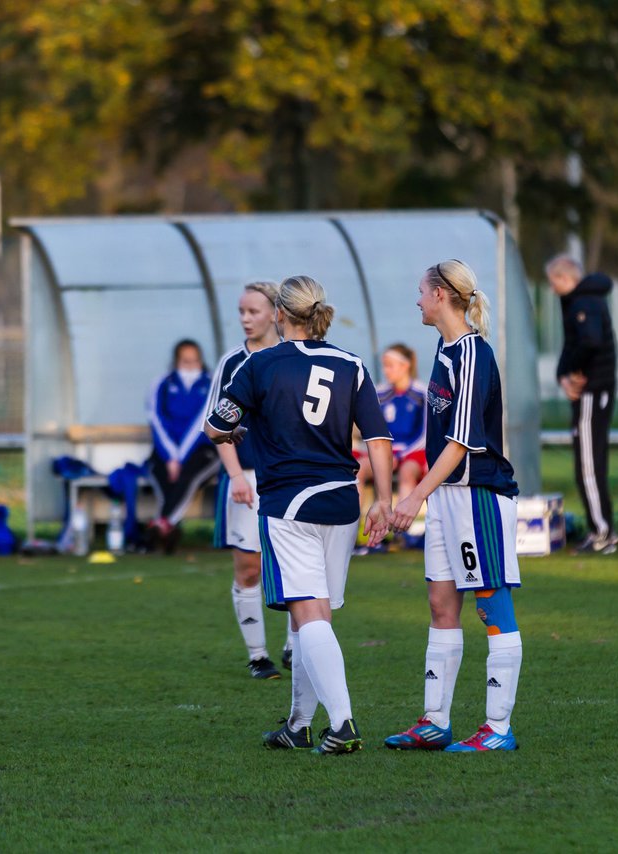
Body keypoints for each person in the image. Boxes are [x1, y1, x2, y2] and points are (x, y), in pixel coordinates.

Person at [205, 274, 395, 755]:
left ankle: (345, 723)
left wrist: (233, 433)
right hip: (342, 501)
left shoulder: (260, 364)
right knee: (317, 618)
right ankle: (299, 724)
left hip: (288, 503)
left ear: (280, 314)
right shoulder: (351, 363)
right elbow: (377, 439)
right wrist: (385, 500)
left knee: (307, 617)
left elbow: (216, 425)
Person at [384, 259, 523, 753]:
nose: (417, 300)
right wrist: (427, 497)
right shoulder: (443, 349)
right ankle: (435, 721)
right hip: (446, 498)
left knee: (492, 606)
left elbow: (463, 441)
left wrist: (413, 496)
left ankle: (498, 729)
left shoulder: (472, 353)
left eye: (421, 291)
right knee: (441, 604)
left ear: (441, 294)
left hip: (477, 495)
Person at [205, 281, 289, 679]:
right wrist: (236, 474)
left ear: (276, 312)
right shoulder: (231, 363)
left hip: (291, 478)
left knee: (295, 566)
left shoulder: (295, 358)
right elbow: (215, 424)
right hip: (248, 480)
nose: (245, 318)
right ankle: (259, 656)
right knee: (249, 569)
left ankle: (296, 644)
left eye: (253, 311)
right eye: (241, 311)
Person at [546, 254, 618, 554]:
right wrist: (563, 374)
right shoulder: (580, 301)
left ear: (565, 279)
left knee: (588, 466)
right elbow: (572, 345)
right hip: (591, 392)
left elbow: (589, 343)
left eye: (554, 283)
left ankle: (602, 532)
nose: (552, 290)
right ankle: (599, 528)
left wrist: (575, 374)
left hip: (592, 392)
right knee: (588, 464)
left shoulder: (583, 303)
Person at [143, 339, 220, 554]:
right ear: (176, 361)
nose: (191, 365)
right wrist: (170, 457)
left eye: (195, 360)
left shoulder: (212, 384)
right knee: (162, 477)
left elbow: (200, 423)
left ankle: (162, 524)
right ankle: (168, 528)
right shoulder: (162, 384)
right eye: (185, 361)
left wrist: (180, 458)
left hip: (201, 449)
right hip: (166, 452)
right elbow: (156, 420)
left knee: (189, 476)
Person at [354, 343, 428, 551]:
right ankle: (354, 535)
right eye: (384, 366)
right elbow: (368, 430)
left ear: (405, 366)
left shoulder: (422, 393)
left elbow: (426, 434)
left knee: (407, 473)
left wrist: (401, 454)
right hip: (387, 451)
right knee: (358, 470)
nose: (386, 370)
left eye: (390, 365)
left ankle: (399, 534)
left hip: (414, 452)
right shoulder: (380, 393)